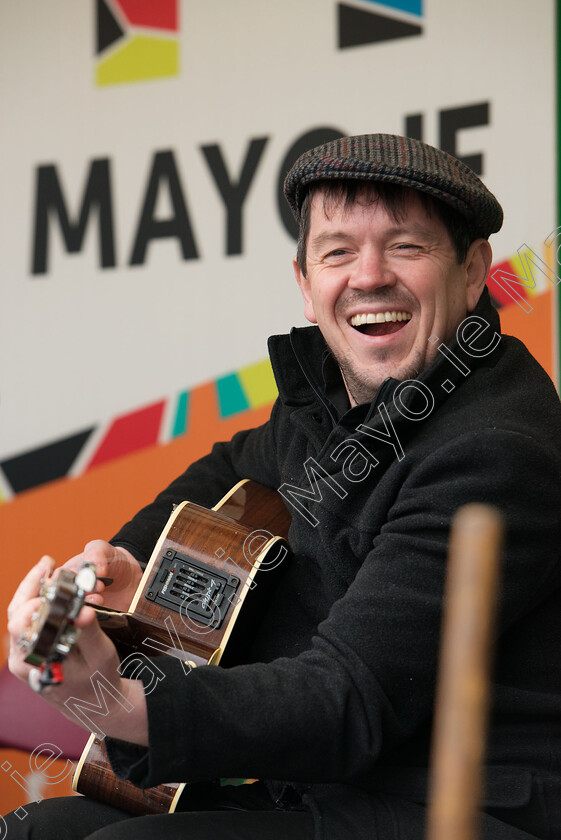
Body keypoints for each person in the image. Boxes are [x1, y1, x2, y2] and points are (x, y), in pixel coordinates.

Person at [6, 134, 561, 840]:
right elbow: (226, 472)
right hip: (319, 788)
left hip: (452, 809)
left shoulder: (495, 451)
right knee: (30, 830)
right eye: (336, 252)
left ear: (473, 270)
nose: (367, 276)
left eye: (405, 248)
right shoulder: (328, 405)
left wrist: (116, 703)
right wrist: (116, 566)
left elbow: (347, 697)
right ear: (305, 284)